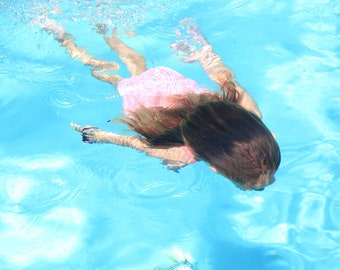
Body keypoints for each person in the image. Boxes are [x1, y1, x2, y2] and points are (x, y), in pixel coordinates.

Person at [38, 17, 280, 191]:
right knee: (105, 71)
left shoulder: (249, 110)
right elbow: (132, 142)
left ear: (269, 134)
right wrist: (95, 135)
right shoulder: (180, 153)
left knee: (134, 60)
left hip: (170, 86)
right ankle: (60, 33)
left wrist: (204, 52)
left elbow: (227, 79)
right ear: (214, 168)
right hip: (142, 102)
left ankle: (103, 22)